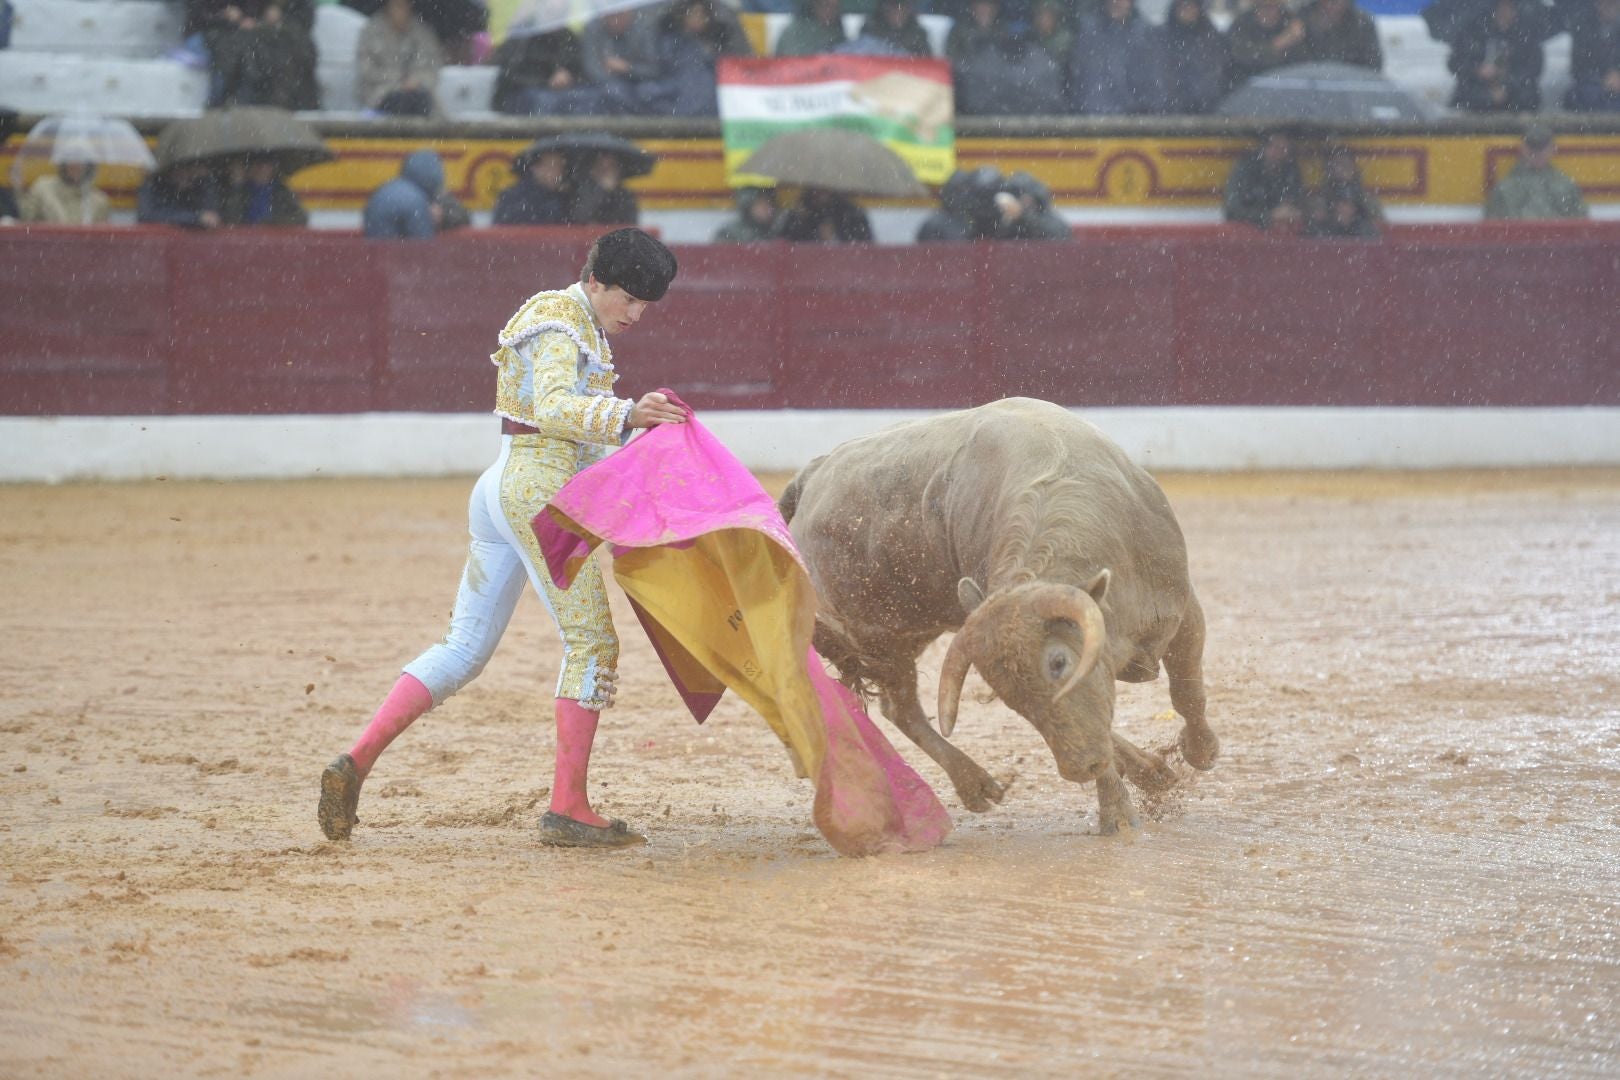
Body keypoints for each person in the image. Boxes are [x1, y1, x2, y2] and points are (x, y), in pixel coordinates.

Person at [317, 228, 686, 849]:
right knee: (592, 643)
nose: (636, 315)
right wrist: (626, 413)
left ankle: (355, 761)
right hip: (536, 492)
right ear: (595, 280)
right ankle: (568, 807)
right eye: (629, 299)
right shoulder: (557, 315)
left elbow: (576, 427)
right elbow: (554, 407)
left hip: (512, 484)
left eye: (646, 306)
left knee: (464, 647)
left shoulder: (580, 324)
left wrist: (633, 435)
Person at [187, 0, 321, 110]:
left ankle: (284, 103)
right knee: (236, 52)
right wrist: (230, 17)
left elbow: (304, 17)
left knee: (288, 47)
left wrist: (273, 17)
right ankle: (229, 101)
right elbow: (199, 15)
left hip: (257, 33)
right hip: (214, 32)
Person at [646, 0, 753, 117]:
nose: (697, 18)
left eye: (701, 14)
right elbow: (660, 67)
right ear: (683, 15)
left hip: (711, 89)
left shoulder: (722, 30)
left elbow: (738, 60)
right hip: (678, 88)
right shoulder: (669, 36)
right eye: (693, 13)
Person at [1447, 0, 1552, 113]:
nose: (1505, 13)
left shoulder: (1525, 34)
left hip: (1515, 91)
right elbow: (1455, 62)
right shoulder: (1473, 32)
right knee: (1468, 98)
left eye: (1509, 9)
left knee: (1527, 97)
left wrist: (1508, 85)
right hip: (1478, 87)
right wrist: (1477, 70)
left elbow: (1534, 67)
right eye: (1501, 9)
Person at [1069, 0, 1168, 115]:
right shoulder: (1089, 32)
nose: (1116, 3)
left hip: (1132, 120)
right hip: (1093, 117)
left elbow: (1152, 82)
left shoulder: (1144, 35)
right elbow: (1083, 80)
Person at [356, 0, 445, 117]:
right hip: (381, 93)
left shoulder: (422, 32)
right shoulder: (371, 32)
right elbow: (366, 69)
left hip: (417, 94)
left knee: (421, 104)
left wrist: (416, 81)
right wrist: (398, 81)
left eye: (404, 6)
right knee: (399, 104)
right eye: (397, 6)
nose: (401, 11)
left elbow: (432, 67)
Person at [1483, 124, 1589, 218]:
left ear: (1553, 148)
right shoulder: (1503, 188)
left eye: (1542, 148)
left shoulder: (1567, 186)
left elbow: (1581, 225)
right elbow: (1492, 229)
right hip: (1517, 239)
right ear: (1522, 148)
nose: (1537, 153)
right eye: (1532, 147)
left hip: (1557, 240)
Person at [1222, 128, 1306, 232]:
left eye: (1284, 148)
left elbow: (1295, 202)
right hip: (1244, 233)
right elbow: (1233, 209)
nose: (1279, 153)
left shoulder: (1291, 170)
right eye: (1275, 147)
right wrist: (1269, 215)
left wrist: (1292, 210)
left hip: (1281, 234)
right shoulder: (1245, 169)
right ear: (1264, 148)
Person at [1158, 0, 1229, 115]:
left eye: (1192, 5)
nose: (1188, 10)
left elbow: (1218, 75)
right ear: (1175, 8)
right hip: (1168, 113)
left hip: (1207, 113)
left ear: (1199, 9)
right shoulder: (1161, 38)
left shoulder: (1212, 39)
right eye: (1183, 5)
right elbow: (1160, 76)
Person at [362, 148, 446, 238]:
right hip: (393, 250)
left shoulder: (388, 188)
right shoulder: (417, 201)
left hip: (375, 249)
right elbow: (422, 244)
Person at [1226, 0, 1310, 88]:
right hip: (1247, 86)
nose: (1271, 11)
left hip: (1287, 85)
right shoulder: (1242, 24)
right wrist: (1281, 43)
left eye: (1275, 6)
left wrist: (1296, 38)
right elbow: (1242, 55)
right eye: (1265, 6)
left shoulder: (1290, 21)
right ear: (1256, 5)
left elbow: (1303, 62)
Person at [1304, 144, 1381, 237]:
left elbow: (1378, 223)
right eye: (1338, 164)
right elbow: (1312, 225)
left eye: (1346, 164)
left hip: (1359, 239)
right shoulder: (1320, 198)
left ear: (1354, 167)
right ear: (1330, 168)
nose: (1342, 169)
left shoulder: (1367, 198)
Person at [19, 150, 111, 226]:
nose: (76, 164)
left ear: (89, 166)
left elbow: (101, 239)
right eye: (71, 158)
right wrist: (19, 190)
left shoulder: (99, 201)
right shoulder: (43, 188)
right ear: (63, 163)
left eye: (81, 159)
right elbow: (26, 220)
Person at [916, 166, 1004, 242]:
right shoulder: (934, 225)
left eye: (966, 191)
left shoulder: (972, 220)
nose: (964, 196)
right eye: (960, 191)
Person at [219, 153, 308, 226]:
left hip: (274, 241)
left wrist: (272, 223)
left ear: (272, 168)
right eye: (255, 164)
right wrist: (237, 186)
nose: (260, 169)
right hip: (243, 240)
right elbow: (230, 218)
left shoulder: (281, 191)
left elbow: (301, 218)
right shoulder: (239, 190)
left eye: (265, 165)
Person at [1564, 0, 1620, 112]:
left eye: (1613, 3)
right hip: (1593, 85)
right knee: (1581, 95)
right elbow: (1578, 67)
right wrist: (1603, 78)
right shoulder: (1583, 27)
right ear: (1597, 4)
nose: (1608, 8)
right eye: (1605, 3)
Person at [493, 148, 571, 225]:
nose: (560, 173)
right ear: (536, 168)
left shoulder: (561, 196)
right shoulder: (515, 198)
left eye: (561, 167)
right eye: (554, 166)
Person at [136, 162, 223, 229]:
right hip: (156, 241)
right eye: (182, 169)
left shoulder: (198, 185)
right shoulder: (152, 185)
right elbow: (148, 215)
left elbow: (211, 215)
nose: (186, 174)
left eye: (190, 169)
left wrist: (205, 179)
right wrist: (196, 218)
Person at [1301, 0, 1383, 68]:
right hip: (1304, 85)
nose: (1332, 4)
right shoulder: (1300, 20)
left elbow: (1374, 66)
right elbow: (1291, 65)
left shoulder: (1362, 24)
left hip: (1352, 85)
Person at [566, 151, 641, 225]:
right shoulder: (583, 190)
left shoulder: (625, 195)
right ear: (593, 171)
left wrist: (613, 192)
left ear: (617, 171)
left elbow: (629, 222)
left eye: (610, 166)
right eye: (601, 167)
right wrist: (601, 190)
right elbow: (579, 217)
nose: (606, 171)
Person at [776, 186, 872, 243]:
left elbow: (865, 246)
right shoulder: (800, 211)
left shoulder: (852, 213)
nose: (822, 190)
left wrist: (835, 239)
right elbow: (783, 243)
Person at [995, 170, 1071, 239]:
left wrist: (1021, 214)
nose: (1022, 202)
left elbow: (1059, 233)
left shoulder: (1048, 218)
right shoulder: (1004, 219)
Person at [859, 0, 934, 56]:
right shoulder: (870, 31)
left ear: (909, 10)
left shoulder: (918, 35)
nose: (897, 11)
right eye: (893, 6)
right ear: (884, 8)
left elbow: (926, 64)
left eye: (902, 6)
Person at [774, 0, 849, 55]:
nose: (830, 11)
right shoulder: (795, 34)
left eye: (835, 7)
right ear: (815, 5)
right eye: (826, 5)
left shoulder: (837, 33)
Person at [712, 186, 781, 242]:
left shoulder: (776, 233)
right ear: (748, 208)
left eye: (769, 204)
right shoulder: (729, 233)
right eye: (761, 205)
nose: (767, 209)